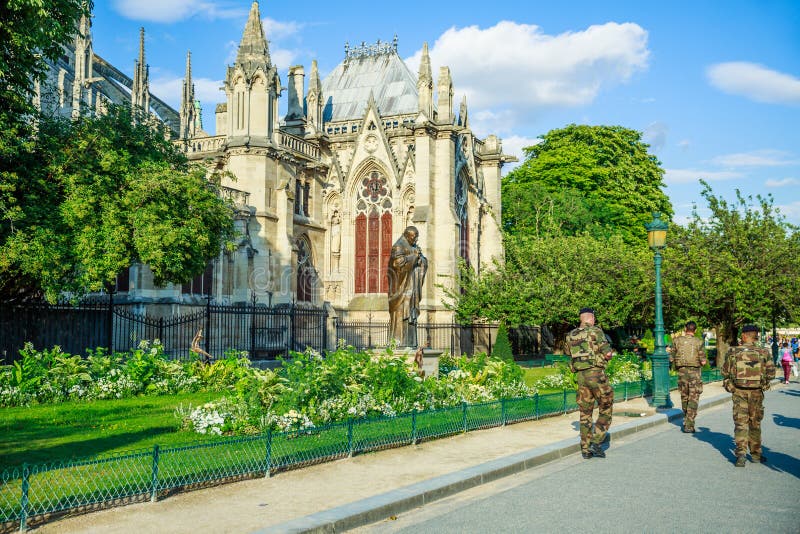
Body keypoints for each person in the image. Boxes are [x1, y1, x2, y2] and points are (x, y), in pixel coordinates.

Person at [722, 324, 776, 467]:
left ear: (745, 336)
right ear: (755, 336)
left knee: (741, 424)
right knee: (755, 423)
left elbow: (724, 372)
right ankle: (756, 455)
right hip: (757, 393)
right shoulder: (763, 351)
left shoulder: (733, 351)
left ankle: (740, 456)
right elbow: (771, 373)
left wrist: (731, 386)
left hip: (739, 392)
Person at [565, 307, 614, 459]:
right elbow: (607, 353)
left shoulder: (570, 335)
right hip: (596, 374)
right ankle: (596, 440)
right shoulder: (596, 331)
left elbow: (568, 353)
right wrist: (608, 356)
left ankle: (585, 450)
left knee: (585, 413)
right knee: (606, 405)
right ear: (591, 318)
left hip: (581, 376)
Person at [387, 226, 428, 347]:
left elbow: (423, 261)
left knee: (411, 314)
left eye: (416, 237)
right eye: (414, 237)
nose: (416, 240)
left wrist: (421, 259)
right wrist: (415, 257)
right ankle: (398, 343)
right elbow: (398, 264)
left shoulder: (413, 246)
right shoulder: (398, 246)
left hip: (411, 287)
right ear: (407, 235)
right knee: (401, 314)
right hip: (401, 290)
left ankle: (411, 342)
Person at [670, 321, 707, 433]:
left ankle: (686, 418)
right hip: (694, 373)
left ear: (685, 329)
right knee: (693, 397)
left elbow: (671, 358)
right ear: (695, 330)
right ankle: (689, 424)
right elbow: (704, 361)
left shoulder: (676, 341)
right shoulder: (699, 342)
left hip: (681, 372)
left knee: (684, 396)